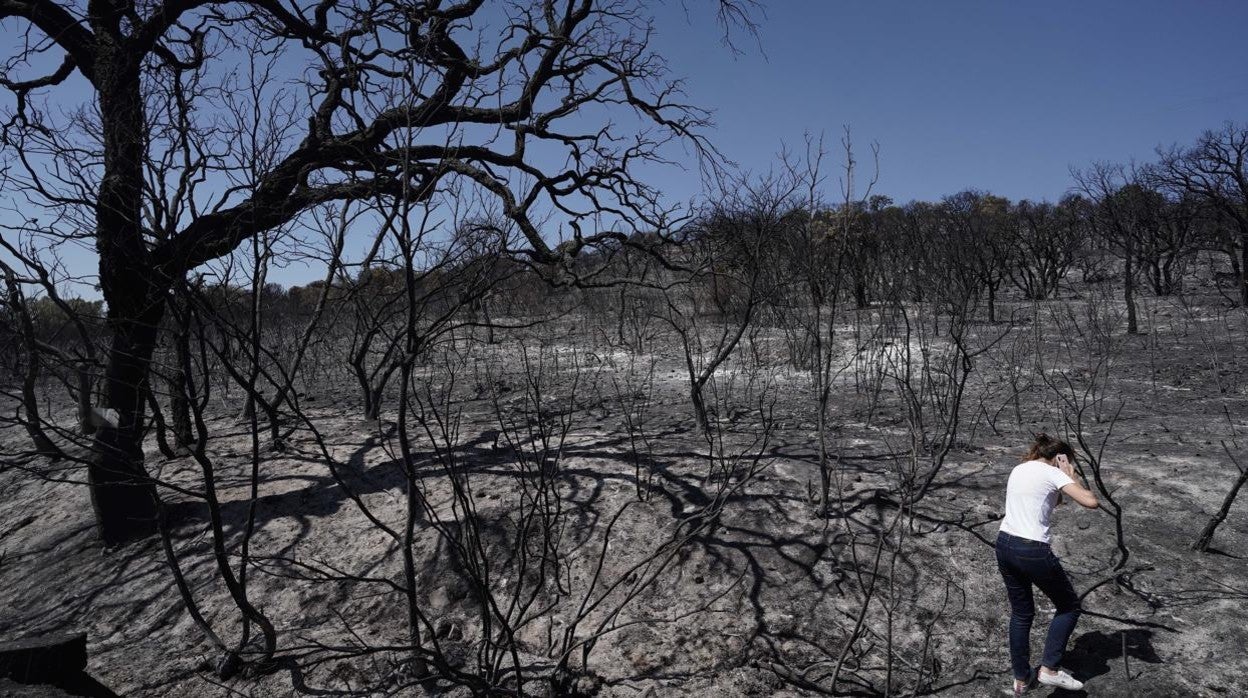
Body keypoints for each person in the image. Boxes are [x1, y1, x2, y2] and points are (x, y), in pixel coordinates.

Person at [996, 433, 1100, 695]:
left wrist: (1062, 478)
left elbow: (1052, 501)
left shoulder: (1019, 469)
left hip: (1005, 544)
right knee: (1069, 607)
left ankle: (1021, 679)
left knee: (1021, 613)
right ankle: (1049, 670)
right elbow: (1091, 502)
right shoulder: (1054, 473)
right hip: (1031, 549)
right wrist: (1070, 476)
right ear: (1059, 458)